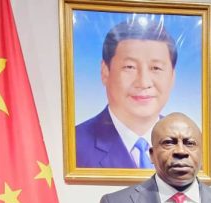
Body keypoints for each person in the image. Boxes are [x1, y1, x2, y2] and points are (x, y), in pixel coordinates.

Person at [76, 20, 177, 169]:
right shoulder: (75, 145)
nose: (143, 82)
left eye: (156, 68)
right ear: (105, 71)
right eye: (130, 67)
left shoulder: (192, 146)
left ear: (172, 76)